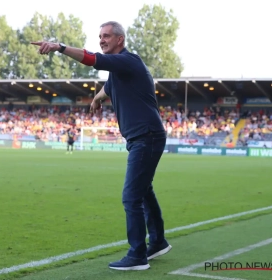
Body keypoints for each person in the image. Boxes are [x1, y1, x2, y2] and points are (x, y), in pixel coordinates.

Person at [32, 20, 171, 271]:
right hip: (142, 136)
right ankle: (158, 241)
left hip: (146, 136)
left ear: (120, 39)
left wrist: (59, 47)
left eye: (106, 36)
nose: (101, 39)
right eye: (100, 36)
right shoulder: (120, 72)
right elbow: (108, 87)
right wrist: (98, 97)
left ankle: (138, 254)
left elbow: (92, 59)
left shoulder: (128, 61)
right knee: (144, 190)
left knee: (131, 197)